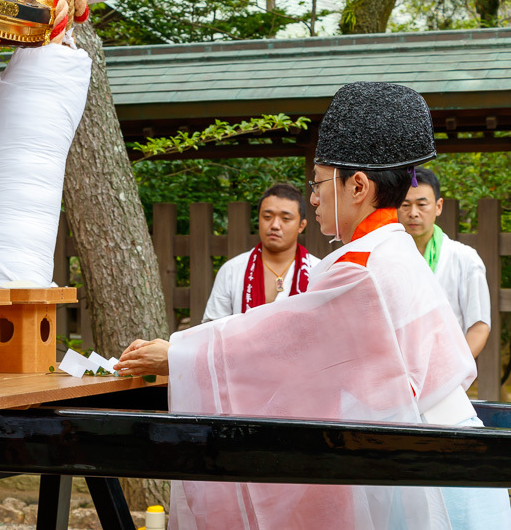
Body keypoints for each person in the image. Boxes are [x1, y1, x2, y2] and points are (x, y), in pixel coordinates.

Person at [116, 82, 511, 529]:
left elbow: (282, 342)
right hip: (439, 454)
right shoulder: (392, 249)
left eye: (320, 183)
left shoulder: (364, 265)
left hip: (427, 471)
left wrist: (180, 355)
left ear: (357, 185)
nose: (315, 197)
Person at [397, 168, 491, 358]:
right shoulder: (385, 258)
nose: (413, 213)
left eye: (422, 204)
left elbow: (479, 325)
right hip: (396, 376)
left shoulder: (465, 259)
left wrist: (454, 375)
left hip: (447, 371)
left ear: (438, 206)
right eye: (405, 205)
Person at [202, 184, 320, 322]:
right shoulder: (232, 270)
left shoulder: (318, 270)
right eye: (267, 216)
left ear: (301, 225)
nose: (275, 225)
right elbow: (212, 328)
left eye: (285, 218)